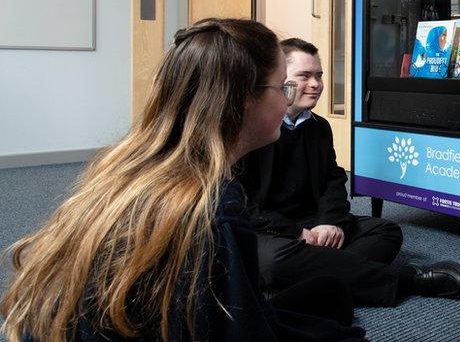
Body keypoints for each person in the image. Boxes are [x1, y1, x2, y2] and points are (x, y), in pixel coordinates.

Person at [1, 18, 366, 342]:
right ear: (243, 100)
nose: (293, 97)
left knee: (328, 292)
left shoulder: (129, 166)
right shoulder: (212, 207)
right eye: (282, 88)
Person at [236, 38, 460, 308]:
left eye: (319, 76)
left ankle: (308, 280)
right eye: (304, 76)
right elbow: (243, 205)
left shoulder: (319, 127)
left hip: (313, 222)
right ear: (281, 80)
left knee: (386, 231)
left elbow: (333, 180)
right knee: (274, 260)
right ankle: (403, 280)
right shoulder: (254, 129)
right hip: (271, 231)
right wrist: (297, 232)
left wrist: (330, 222)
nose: (315, 84)